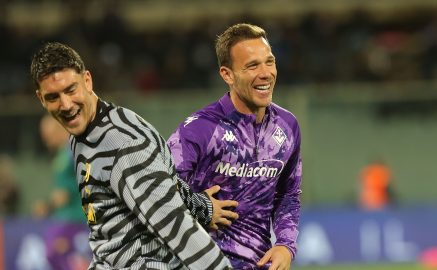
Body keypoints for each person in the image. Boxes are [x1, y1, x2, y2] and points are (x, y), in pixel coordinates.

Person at [31, 42, 237, 269]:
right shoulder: (80, 135)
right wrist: (202, 208)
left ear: (87, 81)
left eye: (71, 90)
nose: (66, 104)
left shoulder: (123, 144)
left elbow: (177, 229)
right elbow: (161, 180)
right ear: (41, 98)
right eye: (53, 97)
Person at [167, 23, 302, 270]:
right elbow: (157, 191)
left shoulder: (288, 126)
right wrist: (200, 208)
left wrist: (285, 244)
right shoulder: (198, 129)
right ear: (227, 74)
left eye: (269, 62)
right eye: (252, 66)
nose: (265, 73)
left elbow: (288, 194)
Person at [33, 114, 85, 222]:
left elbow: (64, 194)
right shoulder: (62, 154)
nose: (45, 139)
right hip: (65, 217)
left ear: (59, 128)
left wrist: (47, 206)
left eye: (47, 134)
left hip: (77, 219)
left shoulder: (73, 151)